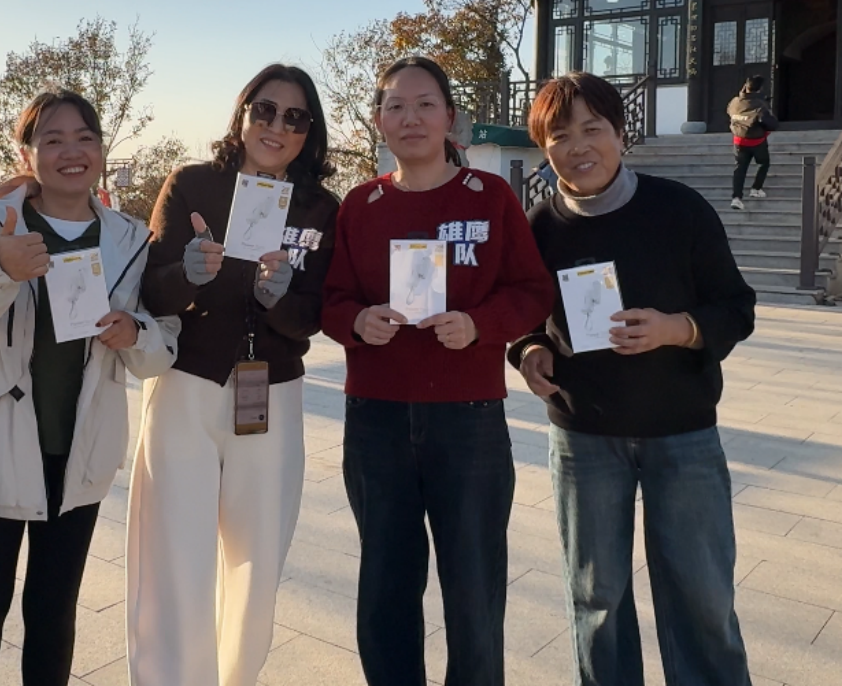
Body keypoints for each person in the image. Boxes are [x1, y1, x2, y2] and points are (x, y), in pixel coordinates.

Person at [0, 91, 179, 686]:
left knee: (54, 610)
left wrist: (133, 332)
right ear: (27, 154)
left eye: (85, 138)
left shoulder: (130, 239)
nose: (71, 152)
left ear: (102, 150)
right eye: (53, 140)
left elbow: (162, 344)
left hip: (80, 445)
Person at [509, 72, 755, 686]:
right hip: (584, 436)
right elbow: (520, 315)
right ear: (544, 148)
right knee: (597, 599)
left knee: (702, 595)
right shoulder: (538, 227)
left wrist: (677, 328)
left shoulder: (679, 209)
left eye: (592, 129)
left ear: (621, 133)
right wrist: (529, 350)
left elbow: (736, 307)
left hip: (683, 432)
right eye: (560, 136)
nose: (579, 147)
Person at [322, 56, 554, 686]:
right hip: (376, 418)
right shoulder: (361, 205)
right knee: (386, 585)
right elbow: (332, 299)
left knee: (474, 588)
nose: (411, 118)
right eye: (395, 106)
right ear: (378, 121)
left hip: (468, 419)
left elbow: (532, 290)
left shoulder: (490, 197)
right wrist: (357, 320)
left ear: (450, 116)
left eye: (425, 104)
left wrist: (480, 324)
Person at [126, 64, 339, 686]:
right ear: (242, 113)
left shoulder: (321, 208)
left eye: (294, 117)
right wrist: (187, 275)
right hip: (186, 386)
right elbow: (151, 289)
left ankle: (236, 676)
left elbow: (315, 315)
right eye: (264, 110)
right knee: (173, 553)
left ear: (309, 131)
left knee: (258, 555)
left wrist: (281, 298)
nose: (277, 126)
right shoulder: (193, 184)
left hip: (273, 394)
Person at [727, 75, 778, 211]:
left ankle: (736, 198)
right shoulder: (759, 105)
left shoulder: (735, 101)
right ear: (760, 89)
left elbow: (729, 112)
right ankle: (756, 188)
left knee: (740, 169)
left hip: (739, 141)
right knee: (763, 163)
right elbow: (771, 123)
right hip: (756, 141)